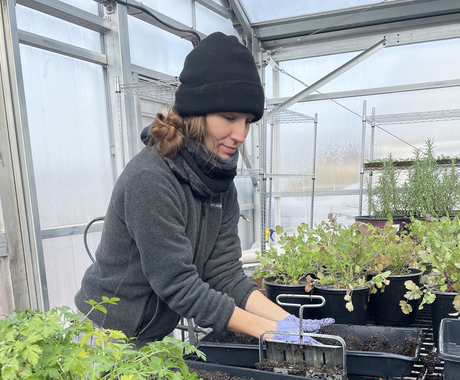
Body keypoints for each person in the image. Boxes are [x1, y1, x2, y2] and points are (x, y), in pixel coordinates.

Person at [75, 32, 333, 347]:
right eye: (229, 117)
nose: (241, 134)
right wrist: (267, 331)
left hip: (153, 332)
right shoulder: (151, 178)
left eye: (248, 121)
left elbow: (225, 274)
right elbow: (180, 286)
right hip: (106, 333)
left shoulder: (219, 184)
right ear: (197, 114)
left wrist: (287, 320)